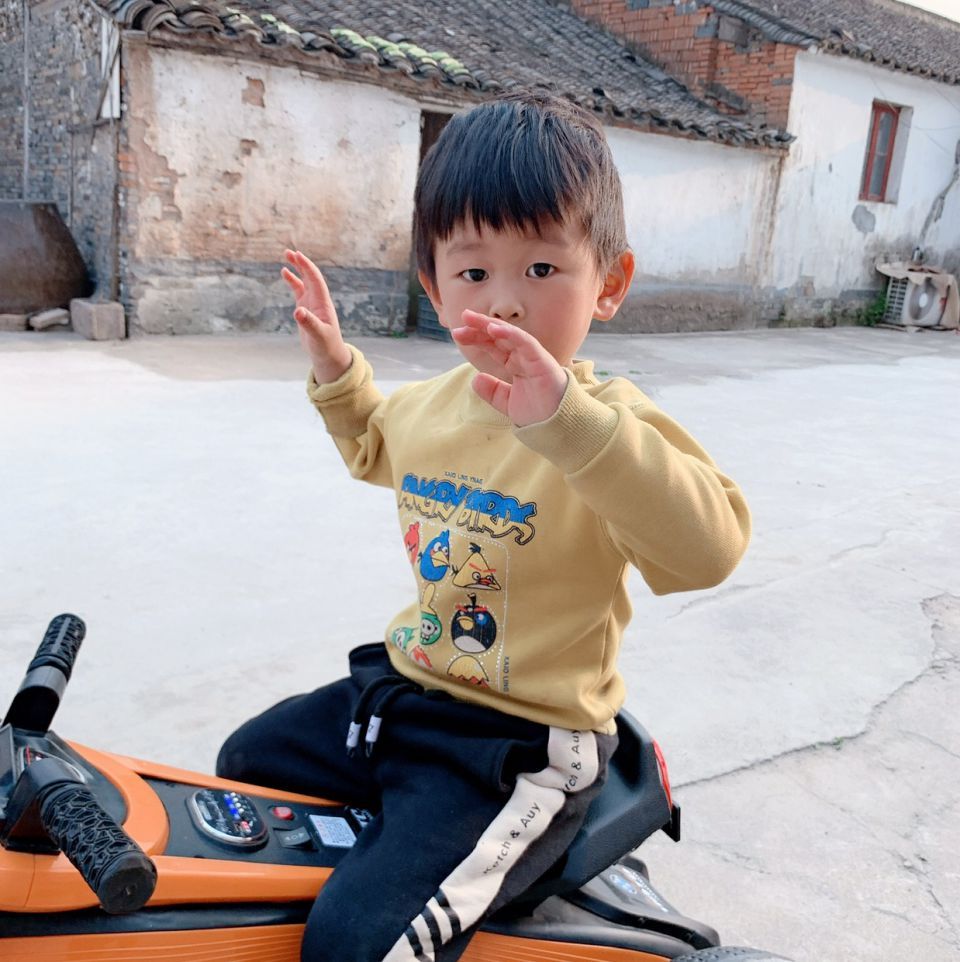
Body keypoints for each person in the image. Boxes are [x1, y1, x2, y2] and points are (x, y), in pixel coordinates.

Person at [216, 90, 751, 962]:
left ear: (609, 283)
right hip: (408, 695)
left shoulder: (610, 427)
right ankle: (417, 854)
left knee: (353, 945)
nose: (504, 304)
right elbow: (373, 445)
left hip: (521, 745)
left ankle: (472, 870)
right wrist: (338, 368)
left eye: (541, 269)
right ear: (433, 288)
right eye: (473, 274)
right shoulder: (433, 406)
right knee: (244, 765)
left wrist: (570, 427)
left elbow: (709, 549)